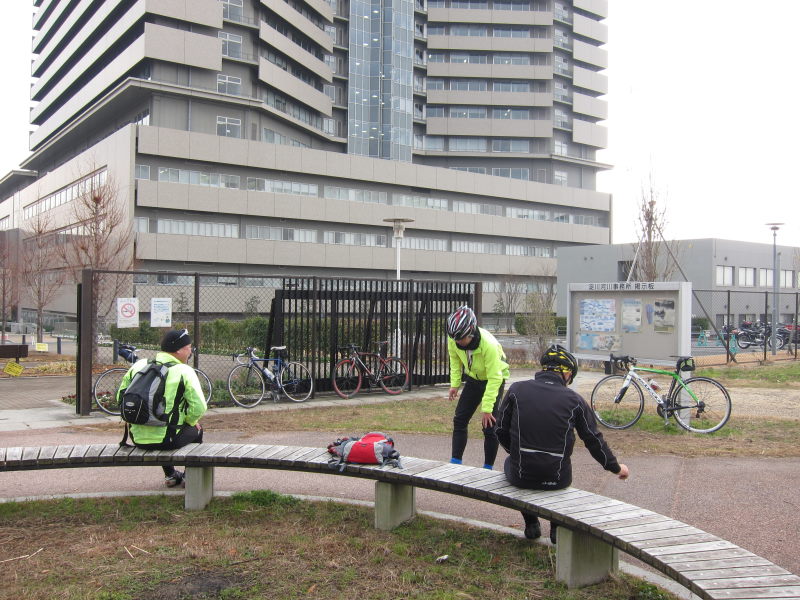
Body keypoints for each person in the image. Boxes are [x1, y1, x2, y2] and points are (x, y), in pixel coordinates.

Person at [496, 344, 629, 543]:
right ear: (566, 373)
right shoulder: (575, 400)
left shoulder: (516, 390)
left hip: (521, 475)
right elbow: (593, 440)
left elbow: (500, 430)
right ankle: (556, 528)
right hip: (557, 478)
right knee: (560, 466)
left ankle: (531, 523)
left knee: (511, 463)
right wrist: (615, 467)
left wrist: (514, 451)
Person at [117, 328, 207, 487]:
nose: (191, 351)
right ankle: (188, 477)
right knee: (197, 429)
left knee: (160, 427)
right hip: (169, 440)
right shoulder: (184, 371)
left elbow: (120, 397)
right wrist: (190, 421)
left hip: (137, 438)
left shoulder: (139, 365)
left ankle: (170, 475)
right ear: (179, 350)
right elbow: (199, 407)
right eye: (189, 347)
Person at [446, 305, 510, 469]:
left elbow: (495, 378)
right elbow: (455, 361)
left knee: (489, 426)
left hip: (493, 379)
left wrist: (487, 408)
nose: (458, 342)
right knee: (460, 419)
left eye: (461, 339)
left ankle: (487, 467)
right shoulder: (453, 338)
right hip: (474, 379)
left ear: (471, 331)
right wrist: (455, 384)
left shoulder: (488, 345)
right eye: (455, 339)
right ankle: (455, 463)